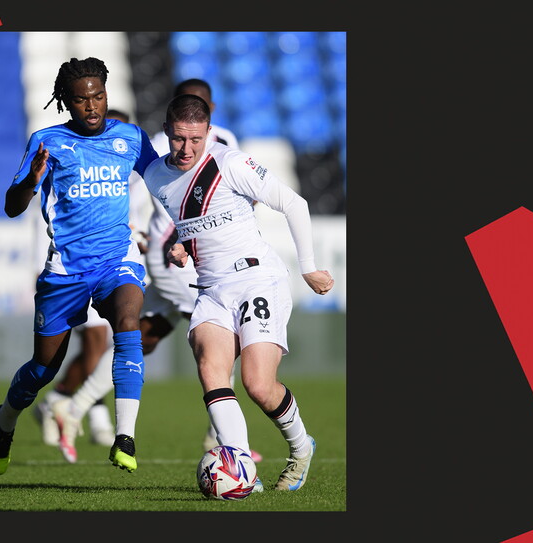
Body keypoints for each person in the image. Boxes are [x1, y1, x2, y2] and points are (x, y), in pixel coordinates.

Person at [49, 81, 263, 464]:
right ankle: (221, 441)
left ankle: (72, 405)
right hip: (175, 255)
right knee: (222, 337)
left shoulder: (219, 143)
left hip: (192, 254)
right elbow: (137, 189)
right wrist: (145, 232)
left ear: (209, 112)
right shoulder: (170, 148)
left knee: (144, 337)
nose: (188, 140)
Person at [142, 93, 334, 491]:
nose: (187, 148)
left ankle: (301, 448)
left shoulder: (230, 163)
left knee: (258, 386)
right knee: (211, 371)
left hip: (256, 279)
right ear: (166, 132)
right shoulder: (155, 176)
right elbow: (191, 219)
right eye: (178, 138)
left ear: (208, 133)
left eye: (195, 139)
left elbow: (294, 203)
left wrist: (309, 268)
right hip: (211, 289)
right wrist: (183, 244)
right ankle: (242, 470)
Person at [0, 57, 158, 476]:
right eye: (82, 100)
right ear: (66, 102)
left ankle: (124, 437)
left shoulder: (130, 137)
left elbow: (164, 182)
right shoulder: (47, 141)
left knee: (129, 323)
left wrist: (185, 233)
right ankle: (4, 419)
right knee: (43, 369)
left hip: (118, 259)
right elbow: (12, 206)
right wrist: (31, 180)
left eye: (98, 96)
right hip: (66, 271)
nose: (93, 106)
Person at [31, 108, 148, 452]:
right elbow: (45, 219)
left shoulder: (133, 172)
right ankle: (65, 404)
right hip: (73, 267)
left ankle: (77, 410)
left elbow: (141, 213)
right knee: (94, 346)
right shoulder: (70, 164)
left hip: (118, 262)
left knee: (117, 339)